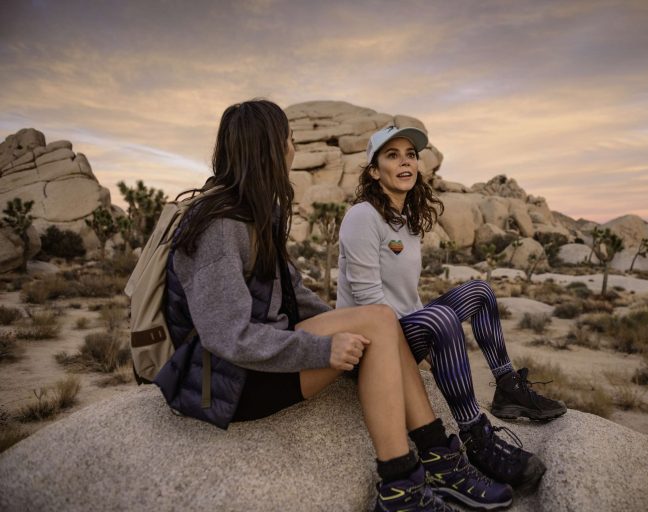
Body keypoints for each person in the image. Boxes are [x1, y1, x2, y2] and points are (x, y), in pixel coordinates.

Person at [153, 100, 515, 512]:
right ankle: (401, 486)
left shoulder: (257, 212)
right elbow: (226, 336)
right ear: (271, 147)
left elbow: (294, 294)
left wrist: (351, 326)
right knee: (377, 323)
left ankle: (440, 461)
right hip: (219, 381)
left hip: (253, 360)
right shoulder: (219, 224)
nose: (293, 148)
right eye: (289, 139)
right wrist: (323, 349)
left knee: (379, 320)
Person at [336, 124, 567, 489]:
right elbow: (369, 302)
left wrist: (423, 336)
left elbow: (407, 297)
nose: (405, 162)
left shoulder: (406, 222)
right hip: (370, 344)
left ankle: (508, 388)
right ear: (375, 171)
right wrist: (423, 345)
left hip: (402, 331)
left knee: (480, 291)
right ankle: (475, 436)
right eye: (392, 156)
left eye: (410, 155)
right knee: (441, 317)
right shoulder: (363, 216)